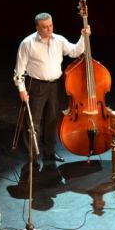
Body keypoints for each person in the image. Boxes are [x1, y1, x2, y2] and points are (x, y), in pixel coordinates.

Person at [13, 12, 90, 170]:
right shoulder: (27, 43)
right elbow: (18, 71)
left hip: (55, 85)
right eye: (44, 27)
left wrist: (83, 36)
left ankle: (49, 152)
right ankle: (33, 157)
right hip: (36, 85)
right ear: (37, 28)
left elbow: (75, 51)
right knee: (33, 122)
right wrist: (21, 89)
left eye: (50, 26)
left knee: (52, 119)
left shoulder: (59, 40)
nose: (49, 29)